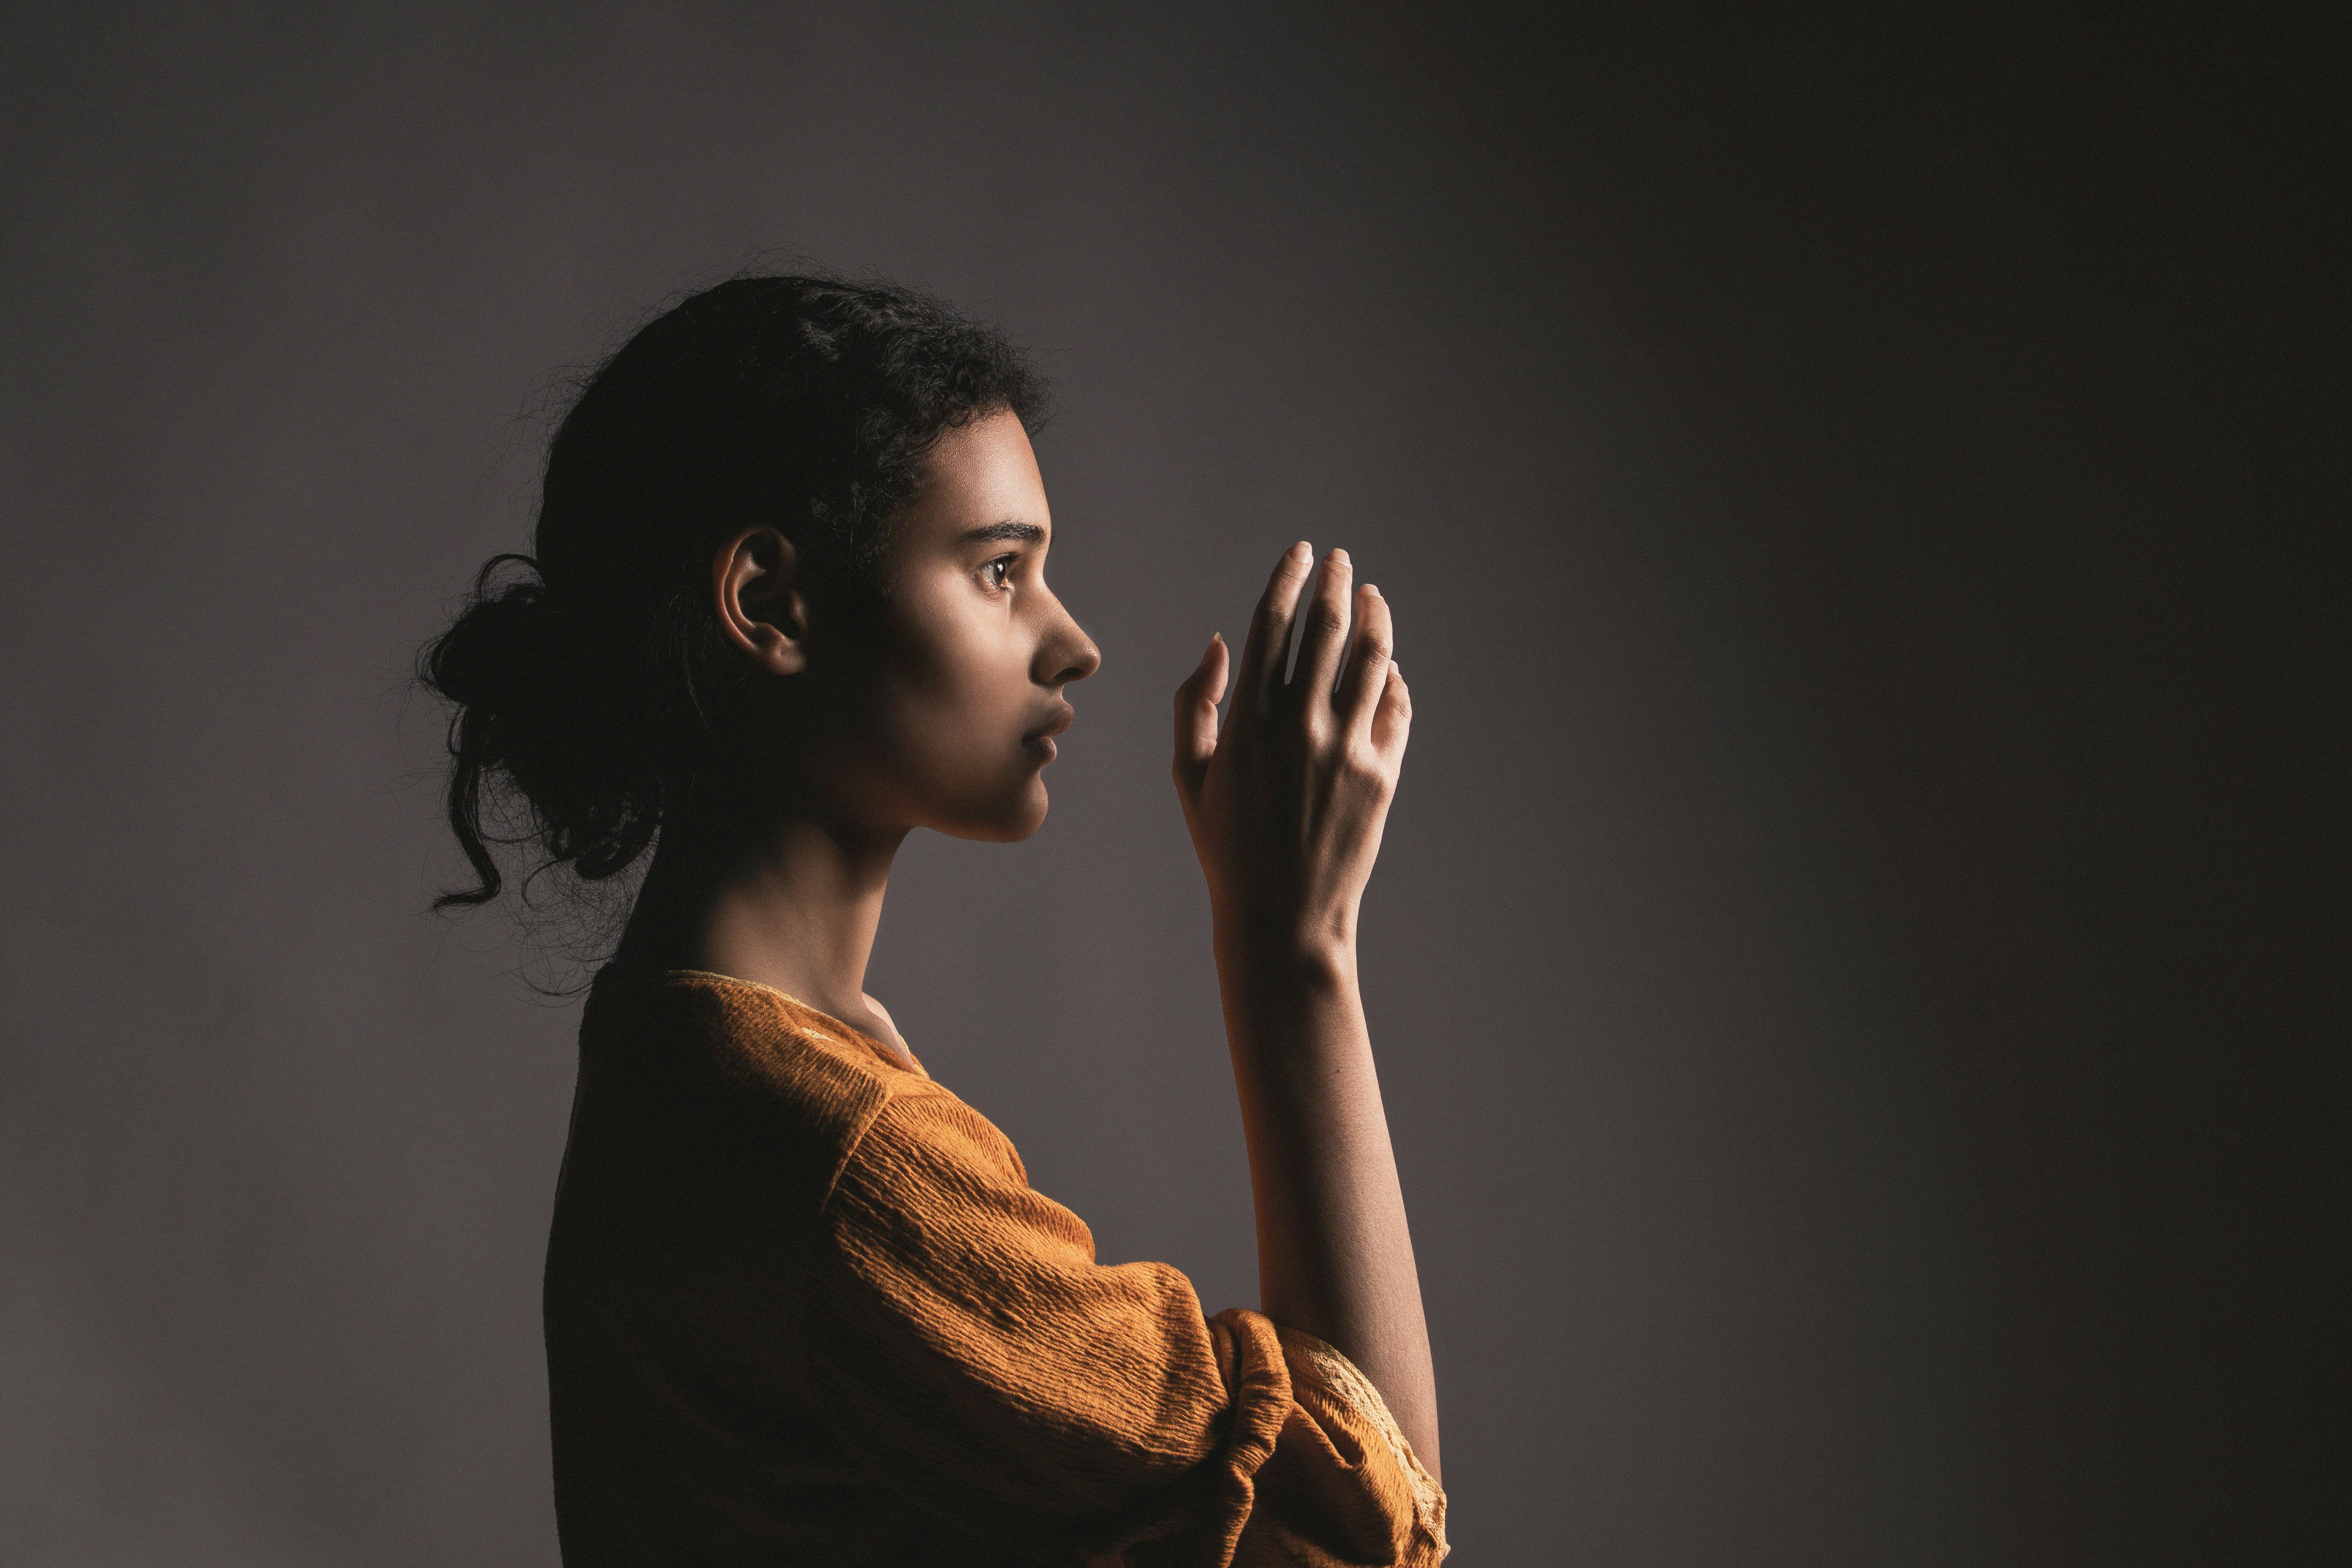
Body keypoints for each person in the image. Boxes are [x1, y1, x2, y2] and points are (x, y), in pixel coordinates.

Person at [421, 274, 1445, 1566]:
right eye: (1000, 570)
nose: (1071, 642)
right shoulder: (840, 1160)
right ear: (770, 604)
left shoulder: (676, 1051)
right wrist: (1298, 949)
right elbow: (1369, 1526)